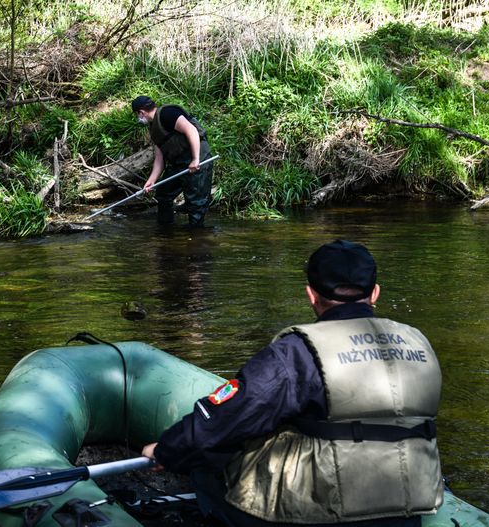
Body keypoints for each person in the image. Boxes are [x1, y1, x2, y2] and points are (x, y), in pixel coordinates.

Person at [142, 240, 444, 527]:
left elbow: (230, 416)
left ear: (311, 295)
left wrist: (168, 449)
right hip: (409, 505)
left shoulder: (298, 351)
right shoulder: (418, 341)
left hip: (325, 516)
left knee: (207, 464)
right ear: (375, 293)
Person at [131, 95, 213, 227]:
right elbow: (159, 158)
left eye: (137, 115)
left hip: (198, 158)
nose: (138, 118)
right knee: (163, 194)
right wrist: (151, 180)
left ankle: (197, 237)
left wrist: (195, 159)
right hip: (178, 163)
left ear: (141, 112)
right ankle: (165, 231)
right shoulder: (154, 128)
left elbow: (191, 130)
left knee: (196, 203)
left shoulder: (168, 113)